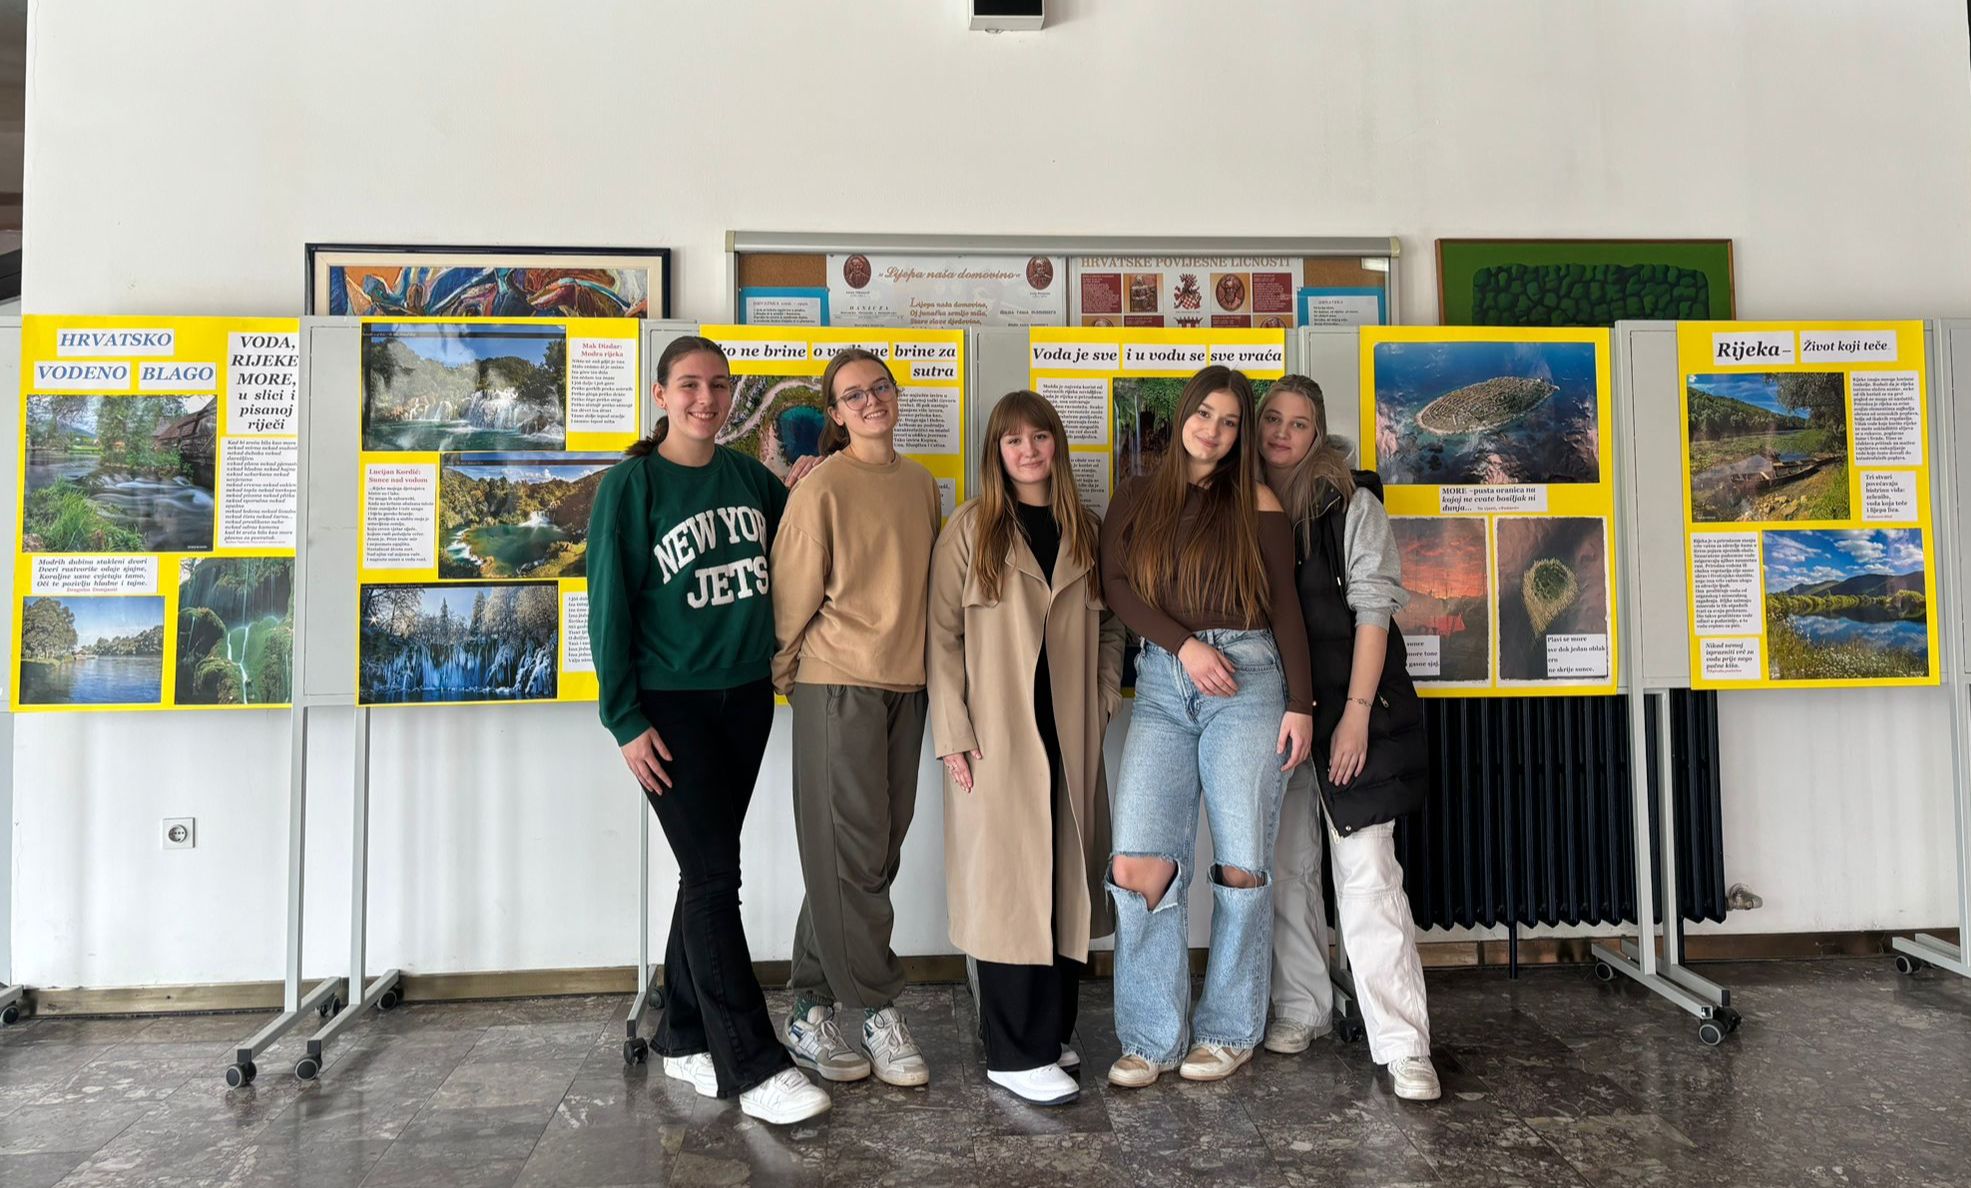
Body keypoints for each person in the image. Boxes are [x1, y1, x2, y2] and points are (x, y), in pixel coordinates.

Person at [586, 335, 831, 1125]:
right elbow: (607, 607)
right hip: (671, 707)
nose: (706, 398)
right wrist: (625, 719)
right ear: (661, 395)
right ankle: (752, 1064)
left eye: (719, 385)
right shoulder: (631, 485)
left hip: (747, 698)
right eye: (689, 384)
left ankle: (684, 1033)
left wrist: (810, 486)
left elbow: (799, 545)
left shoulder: (746, 478)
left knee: (704, 872)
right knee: (716, 878)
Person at [1099, 364, 1316, 1087]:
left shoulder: (1255, 500)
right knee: (1137, 865)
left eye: (1230, 421)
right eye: (1204, 414)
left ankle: (1227, 1031)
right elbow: (1116, 587)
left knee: (1240, 865)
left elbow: (1283, 604)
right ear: (1184, 414)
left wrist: (1302, 704)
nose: (1213, 431)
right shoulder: (1136, 494)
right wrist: (1184, 646)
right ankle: (1150, 1038)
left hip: (1249, 682)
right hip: (1165, 683)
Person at [926, 391, 1125, 1106]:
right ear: (997, 452)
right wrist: (953, 734)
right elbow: (941, 638)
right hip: (997, 738)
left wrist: (1103, 697)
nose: (1028, 451)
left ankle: (1050, 1033)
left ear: (1056, 445)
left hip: (1069, 734)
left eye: (1039, 437)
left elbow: (1112, 628)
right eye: (1013, 440)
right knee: (1008, 891)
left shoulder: (1086, 529)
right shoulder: (971, 529)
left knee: (1063, 884)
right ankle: (1013, 1052)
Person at [1256, 374, 1439, 1102]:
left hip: (1352, 711)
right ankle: (1301, 1007)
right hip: (1272, 713)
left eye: (1298, 423)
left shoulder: (1351, 504)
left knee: (1367, 874)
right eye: (1272, 418)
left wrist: (1356, 714)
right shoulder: (1241, 504)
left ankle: (1403, 1044)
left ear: (1317, 433)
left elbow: (1373, 610)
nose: (1282, 433)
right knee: (1287, 869)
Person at [771, 348, 942, 1087]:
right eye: (852, 395)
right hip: (836, 684)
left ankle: (808, 1010)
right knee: (852, 854)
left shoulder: (922, 484)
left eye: (879, 387)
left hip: (907, 685)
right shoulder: (822, 488)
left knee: (867, 858)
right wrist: (794, 682)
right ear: (835, 415)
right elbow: (789, 600)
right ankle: (877, 1008)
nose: (870, 401)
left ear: (895, 396)